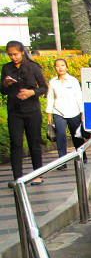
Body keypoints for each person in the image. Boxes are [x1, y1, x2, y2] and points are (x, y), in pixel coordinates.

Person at [1, 40, 46, 186]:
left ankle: (37, 174)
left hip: (32, 109)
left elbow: (44, 88)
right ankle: (17, 177)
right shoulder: (6, 68)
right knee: (16, 143)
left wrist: (31, 92)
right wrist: (6, 85)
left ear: (22, 52)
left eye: (15, 54)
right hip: (14, 110)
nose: (13, 57)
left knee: (34, 142)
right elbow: (2, 91)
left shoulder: (33, 67)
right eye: (10, 55)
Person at [46, 58, 85, 170]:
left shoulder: (73, 81)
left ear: (66, 67)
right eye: (58, 66)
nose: (60, 68)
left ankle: (82, 155)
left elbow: (79, 96)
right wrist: (49, 114)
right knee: (61, 135)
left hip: (74, 111)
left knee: (76, 135)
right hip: (58, 112)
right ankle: (62, 161)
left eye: (62, 65)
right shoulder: (53, 82)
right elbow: (50, 98)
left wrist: (82, 112)